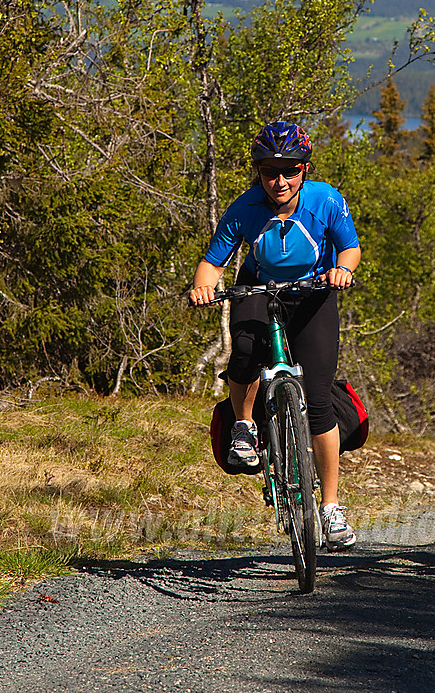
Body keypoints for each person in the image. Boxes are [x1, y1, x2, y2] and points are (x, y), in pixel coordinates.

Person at [190, 121, 361, 550]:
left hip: (312, 293)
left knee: (319, 403)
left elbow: (350, 248)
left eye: (290, 170)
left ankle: (331, 509)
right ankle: (244, 428)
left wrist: (344, 269)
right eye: (270, 171)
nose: (280, 180)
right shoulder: (246, 208)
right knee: (245, 353)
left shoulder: (326, 201)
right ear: (259, 172)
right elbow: (213, 262)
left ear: (304, 169)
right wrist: (203, 285)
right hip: (258, 288)